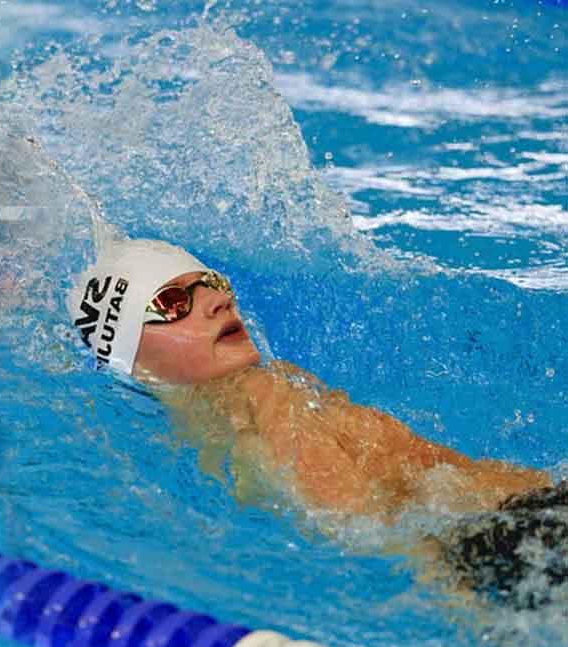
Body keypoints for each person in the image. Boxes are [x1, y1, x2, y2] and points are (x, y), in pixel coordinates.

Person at [69, 237, 561, 602]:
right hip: (494, 543)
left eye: (211, 283)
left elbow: (404, 486)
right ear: (129, 353)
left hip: (491, 535)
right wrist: (443, 567)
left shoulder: (211, 423)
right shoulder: (263, 390)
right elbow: (353, 516)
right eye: (173, 303)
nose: (217, 300)